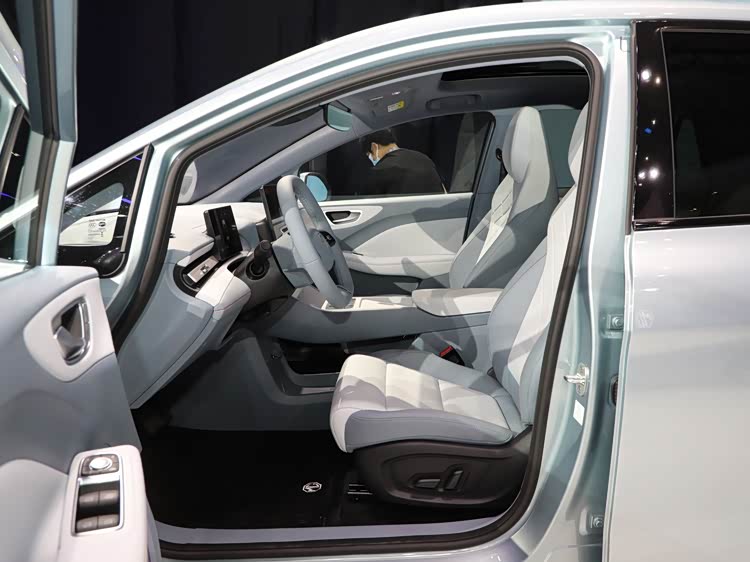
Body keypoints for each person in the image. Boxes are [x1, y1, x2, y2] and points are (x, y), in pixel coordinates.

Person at [359, 129, 445, 196]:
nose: (371, 158)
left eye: (369, 155)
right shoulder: (424, 158)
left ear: (374, 146)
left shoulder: (380, 170)